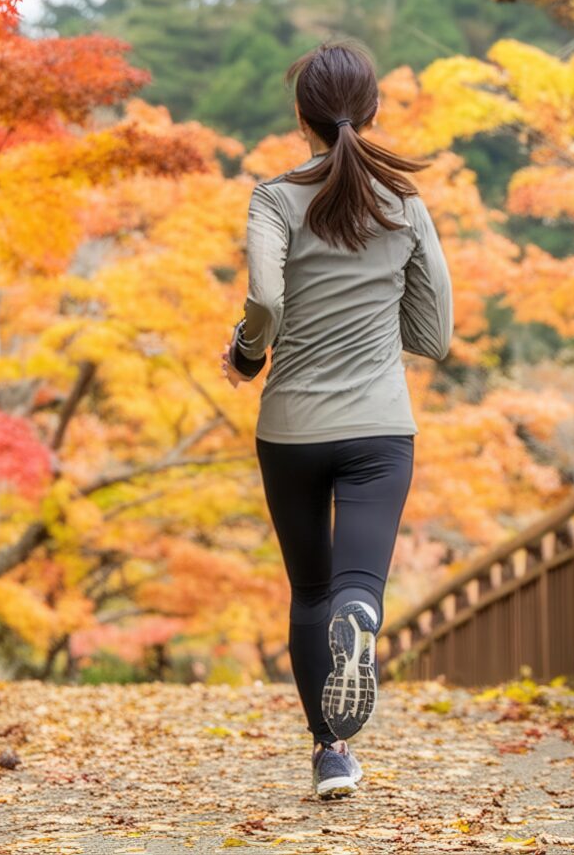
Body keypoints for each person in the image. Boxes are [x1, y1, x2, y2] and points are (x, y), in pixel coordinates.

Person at [220, 40, 453, 800]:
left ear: (302, 117)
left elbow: (266, 300)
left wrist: (248, 352)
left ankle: (330, 753)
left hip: (291, 428)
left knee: (309, 591)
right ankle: (363, 611)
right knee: (356, 587)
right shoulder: (405, 206)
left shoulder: (274, 199)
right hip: (379, 428)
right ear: (373, 110)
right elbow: (435, 335)